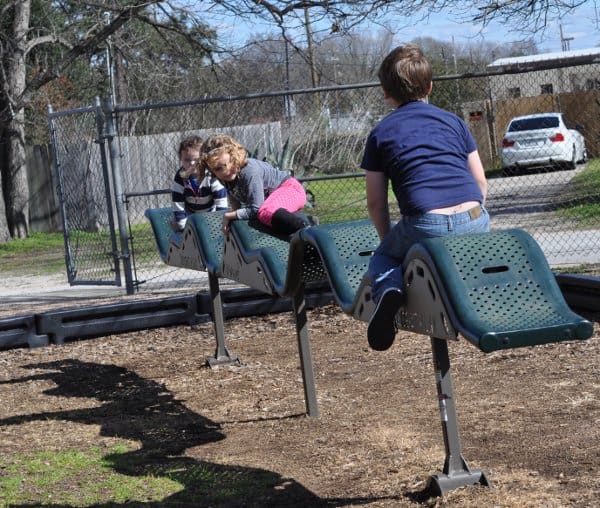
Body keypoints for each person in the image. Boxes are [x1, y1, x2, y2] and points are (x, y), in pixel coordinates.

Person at [362, 44, 489, 351]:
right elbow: (480, 180)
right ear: (431, 86)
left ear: (385, 92)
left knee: (384, 257)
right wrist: (472, 215)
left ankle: (389, 290)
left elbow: (376, 202)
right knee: (458, 245)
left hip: (426, 220)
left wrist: (389, 243)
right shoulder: (454, 122)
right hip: (473, 216)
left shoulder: (380, 133)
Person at [200, 134, 311, 235]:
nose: (227, 170)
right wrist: (231, 220)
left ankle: (307, 230)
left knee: (265, 212)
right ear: (211, 169)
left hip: (291, 190)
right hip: (276, 200)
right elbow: (235, 205)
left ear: (235, 156)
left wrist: (228, 215)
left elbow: (255, 209)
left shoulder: (249, 171)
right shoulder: (224, 178)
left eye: (230, 163)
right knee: (264, 215)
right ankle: (303, 223)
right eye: (219, 168)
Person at [171, 135, 228, 231]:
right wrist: (183, 226)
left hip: (211, 215)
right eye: (187, 160)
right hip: (190, 217)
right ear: (181, 159)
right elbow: (178, 204)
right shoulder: (180, 178)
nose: (192, 163)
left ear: (203, 158)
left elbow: (221, 201)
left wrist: (219, 223)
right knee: (175, 225)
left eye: (196, 159)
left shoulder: (211, 175)